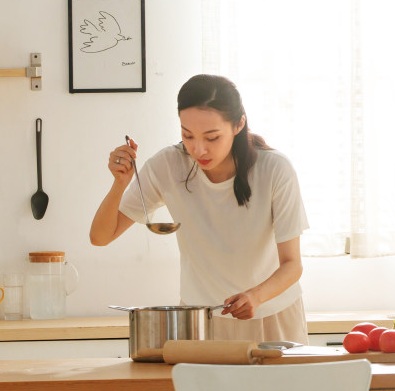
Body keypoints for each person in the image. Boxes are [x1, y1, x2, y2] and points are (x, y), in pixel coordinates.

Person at [90, 74, 309, 343]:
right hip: (198, 321)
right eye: (187, 135)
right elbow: (101, 237)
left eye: (212, 137)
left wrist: (256, 296)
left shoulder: (275, 169)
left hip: (273, 316)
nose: (198, 149)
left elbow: (292, 265)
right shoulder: (168, 166)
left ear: (239, 124)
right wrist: (119, 184)